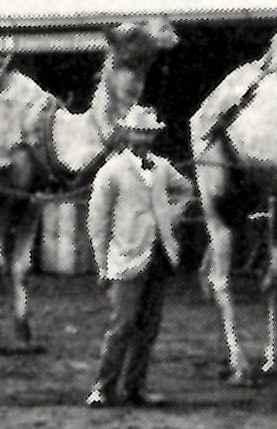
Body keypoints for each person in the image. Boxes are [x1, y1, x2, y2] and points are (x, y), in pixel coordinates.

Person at [84, 105, 195, 408]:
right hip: (126, 257)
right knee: (122, 325)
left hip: (160, 256)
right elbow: (98, 222)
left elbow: (186, 189)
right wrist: (102, 265)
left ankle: (135, 388)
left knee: (149, 327)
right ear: (126, 134)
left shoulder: (161, 167)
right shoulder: (111, 171)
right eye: (137, 132)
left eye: (147, 133)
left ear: (154, 136)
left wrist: (171, 216)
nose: (142, 138)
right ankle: (103, 387)